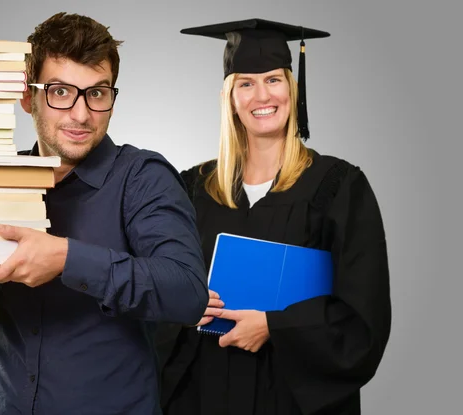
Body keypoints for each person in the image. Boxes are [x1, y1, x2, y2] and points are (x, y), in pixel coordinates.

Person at [0, 12, 209, 415]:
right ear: (27, 96)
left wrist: (68, 259)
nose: (81, 114)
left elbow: (187, 293)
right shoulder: (1, 177)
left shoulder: (143, 177)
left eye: (97, 93)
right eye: (61, 92)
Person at [156, 18, 392, 415]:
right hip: (205, 393)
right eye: (245, 83)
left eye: (273, 80)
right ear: (230, 98)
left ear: (291, 88)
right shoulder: (194, 188)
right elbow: (159, 286)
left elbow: (363, 314)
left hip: (290, 400)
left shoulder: (339, 187)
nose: (261, 95)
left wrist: (274, 326)